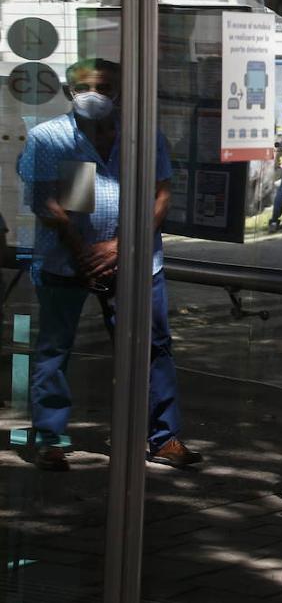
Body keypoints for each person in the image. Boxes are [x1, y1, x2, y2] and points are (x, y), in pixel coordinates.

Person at [19, 58, 200, 471]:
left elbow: (160, 196)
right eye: (85, 86)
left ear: (120, 91)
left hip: (137, 263)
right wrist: (83, 251)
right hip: (67, 264)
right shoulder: (51, 137)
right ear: (69, 91)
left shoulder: (142, 136)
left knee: (153, 349)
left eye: (105, 86)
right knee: (54, 350)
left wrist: (120, 247)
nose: (95, 94)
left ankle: (162, 436)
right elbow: (47, 201)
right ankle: (50, 439)